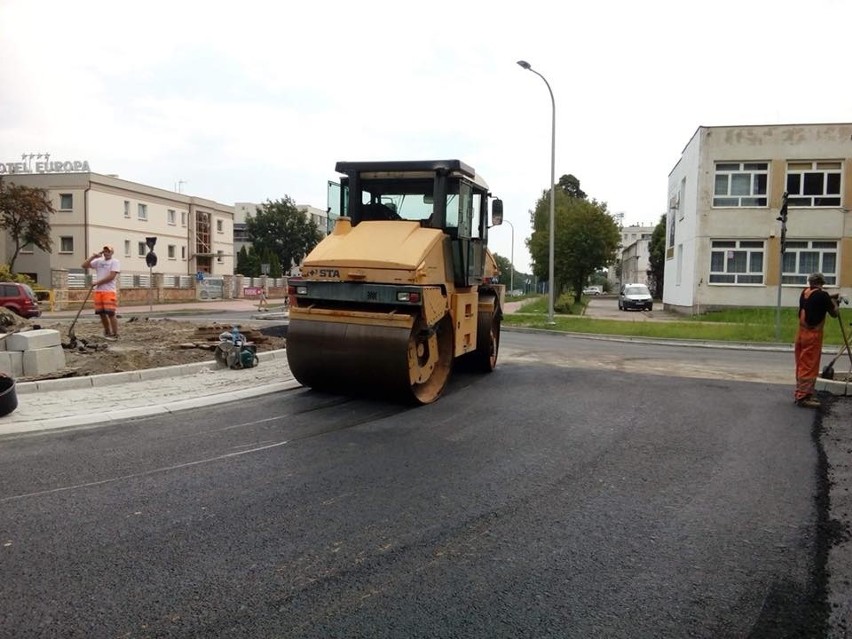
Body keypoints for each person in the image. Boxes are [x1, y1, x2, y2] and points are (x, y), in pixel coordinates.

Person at [794, 272, 839, 408]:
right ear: (822, 283)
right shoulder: (823, 296)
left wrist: (829, 297)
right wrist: (835, 303)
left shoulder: (805, 292)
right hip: (812, 335)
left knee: (801, 364)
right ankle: (803, 397)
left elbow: (816, 298)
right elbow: (834, 314)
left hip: (801, 334)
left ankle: (801, 392)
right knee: (809, 365)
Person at [82, 244, 121, 340]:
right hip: (99, 291)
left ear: (112, 252)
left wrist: (97, 282)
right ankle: (107, 331)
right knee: (101, 313)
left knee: (111, 313)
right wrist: (93, 256)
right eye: (105, 251)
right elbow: (84, 265)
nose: (107, 253)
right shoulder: (98, 261)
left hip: (109, 291)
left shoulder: (115, 262)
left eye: (109, 251)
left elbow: (111, 276)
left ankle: (115, 333)